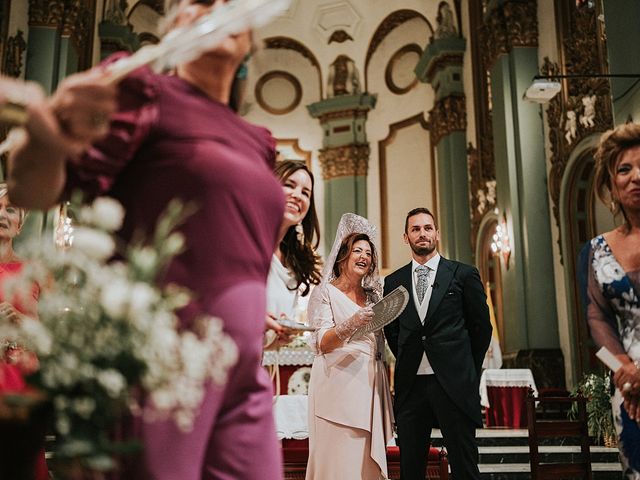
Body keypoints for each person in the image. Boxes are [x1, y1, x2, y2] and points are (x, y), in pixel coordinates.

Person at [8, 1, 284, 479]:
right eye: (197, 0)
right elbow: (32, 190)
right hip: (166, 360)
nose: (215, 6)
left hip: (245, 369)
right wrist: (47, 131)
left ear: (250, 37)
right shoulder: (140, 90)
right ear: (173, 24)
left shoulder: (258, 138)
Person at [383, 207, 491, 480]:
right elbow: (392, 331)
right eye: (415, 229)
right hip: (411, 387)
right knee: (411, 469)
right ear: (406, 237)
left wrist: (466, 370)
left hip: (453, 384)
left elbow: (481, 329)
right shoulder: (393, 282)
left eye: (427, 228)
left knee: (465, 466)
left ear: (437, 234)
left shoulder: (463, 274)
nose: (422, 234)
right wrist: (412, 357)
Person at [306, 213, 394, 480]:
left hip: (368, 387)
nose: (364, 256)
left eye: (368, 253)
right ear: (343, 255)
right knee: (337, 464)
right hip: (336, 385)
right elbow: (322, 342)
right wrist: (353, 322)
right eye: (357, 250)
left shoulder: (373, 297)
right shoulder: (325, 292)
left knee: (363, 465)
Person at [586, 122, 640, 477]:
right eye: (625, 169)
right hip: (632, 390)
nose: (637, 176)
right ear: (610, 185)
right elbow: (597, 318)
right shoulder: (595, 251)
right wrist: (626, 371)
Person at [0, 184, 47, 480]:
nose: (2, 215)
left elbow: (47, 336)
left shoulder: (33, 272)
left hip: (20, 373)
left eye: (10, 209)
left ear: (19, 225)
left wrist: (19, 321)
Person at [264, 160, 321, 350]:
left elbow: (267, 338)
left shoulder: (294, 264)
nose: (298, 196)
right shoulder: (244, 240)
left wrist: (278, 337)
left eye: (306, 193)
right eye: (289, 185)